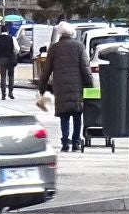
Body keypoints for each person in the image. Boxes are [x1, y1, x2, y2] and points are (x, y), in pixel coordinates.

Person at [37, 21, 94, 152]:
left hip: (60, 87)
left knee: (64, 115)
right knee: (77, 114)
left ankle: (65, 142)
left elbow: (46, 71)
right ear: (72, 33)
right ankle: (76, 142)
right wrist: (90, 86)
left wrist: (42, 88)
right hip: (77, 87)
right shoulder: (79, 47)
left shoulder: (54, 48)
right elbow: (86, 69)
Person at [0, 22, 19, 100]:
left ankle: (3, 94)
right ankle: (10, 93)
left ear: (1, 31)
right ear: (7, 31)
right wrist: (13, 53)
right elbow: (17, 49)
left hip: (1, 59)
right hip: (10, 59)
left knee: (3, 77)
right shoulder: (12, 38)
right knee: (11, 76)